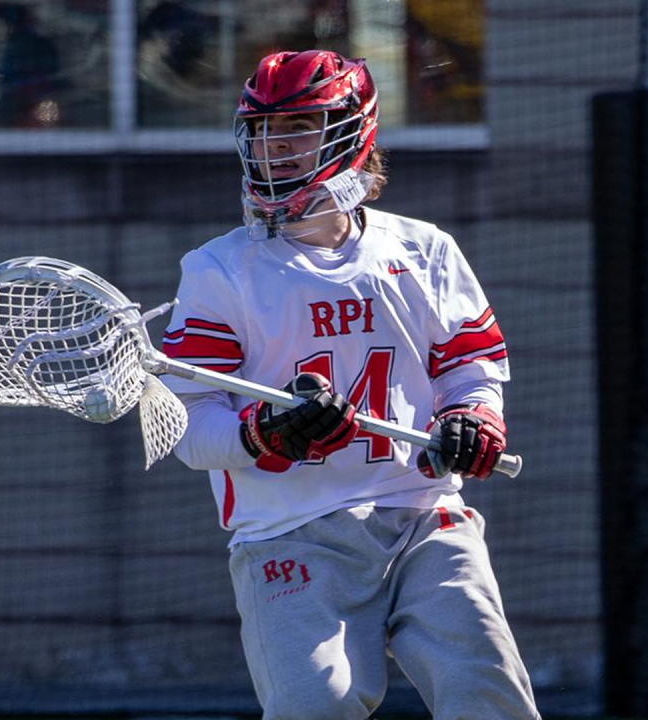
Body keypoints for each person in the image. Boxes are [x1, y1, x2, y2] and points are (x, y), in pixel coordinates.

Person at [160, 49, 540, 720]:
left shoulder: (423, 250)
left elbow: (468, 366)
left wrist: (474, 419)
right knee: (316, 707)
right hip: (289, 531)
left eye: (300, 126)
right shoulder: (221, 270)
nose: (276, 147)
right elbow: (190, 428)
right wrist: (266, 435)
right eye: (264, 130)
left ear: (352, 132)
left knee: (484, 688)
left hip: (424, 516)